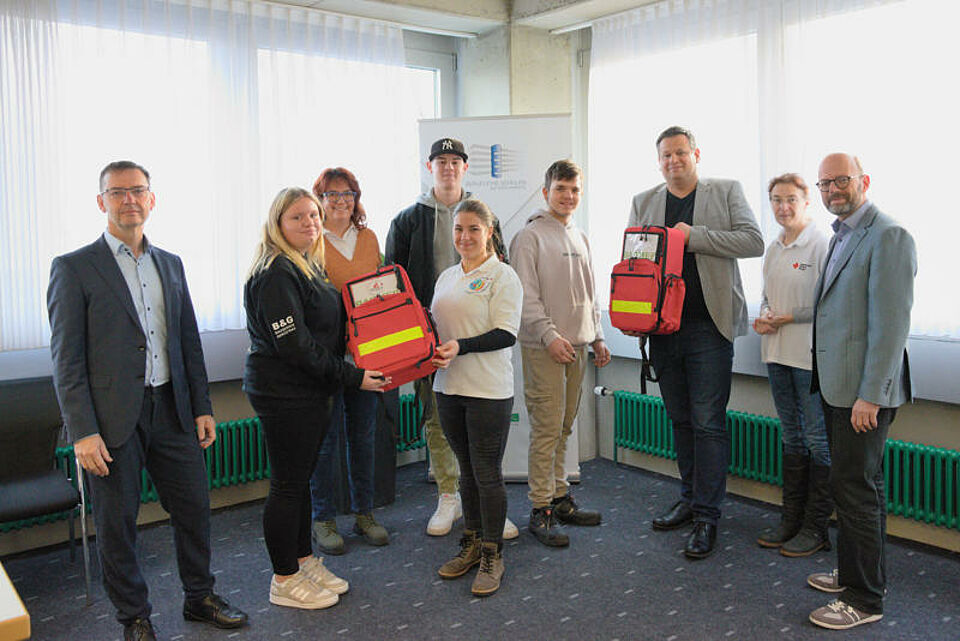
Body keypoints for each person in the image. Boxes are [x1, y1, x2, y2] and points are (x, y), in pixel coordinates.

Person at [47, 161, 248, 641]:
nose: (129, 200)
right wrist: (82, 431)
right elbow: (66, 358)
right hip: (111, 419)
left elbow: (187, 340)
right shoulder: (74, 267)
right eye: (117, 192)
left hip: (172, 408)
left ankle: (199, 597)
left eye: (137, 190)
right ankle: (133, 617)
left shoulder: (170, 264)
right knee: (117, 525)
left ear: (151, 199)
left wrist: (202, 405)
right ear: (101, 201)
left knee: (194, 509)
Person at [243, 187, 390, 610]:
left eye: (313, 216)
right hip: (284, 393)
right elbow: (296, 346)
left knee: (300, 483)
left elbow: (327, 330)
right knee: (287, 486)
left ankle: (303, 560)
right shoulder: (275, 272)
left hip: (309, 391)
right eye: (297, 217)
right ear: (277, 223)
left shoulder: (306, 263)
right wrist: (353, 376)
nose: (309, 223)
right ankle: (284, 579)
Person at [628, 126, 763, 559]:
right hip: (663, 329)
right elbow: (634, 262)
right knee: (681, 421)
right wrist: (633, 314)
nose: (673, 161)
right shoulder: (644, 201)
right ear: (659, 161)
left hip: (709, 327)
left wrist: (693, 236)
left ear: (696, 154)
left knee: (707, 423)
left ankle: (708, 515)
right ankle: (689, 499)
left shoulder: (726, 191)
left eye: (680, 153)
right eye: (666, 155)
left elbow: (753, 241)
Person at [385, 137, 516, 540]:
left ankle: (488, 506)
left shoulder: (484, 214)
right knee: (438, 421)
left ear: (464, 167)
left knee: (483, 438)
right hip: (429, 342)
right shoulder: (408, 219)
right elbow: (392, 285)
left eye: (454, 161)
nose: (447, 167)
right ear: (430, 167)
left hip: (480, 340)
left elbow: (502, 269)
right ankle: (448, 495)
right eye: (440, 161)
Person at [805, 154, 915, 631]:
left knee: (855, 490)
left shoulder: (888, 235)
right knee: (855, 486)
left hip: (863, 394)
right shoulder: (843, 234)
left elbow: (891, 327)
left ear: (863, 181)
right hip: (840, 387)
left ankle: (864, 599)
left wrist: (871, 395)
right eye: (824, 183)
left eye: (841, 180)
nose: (833, 189)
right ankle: (855, 574)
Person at [510, 159, 611, 548]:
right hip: (544, 347)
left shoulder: (580, 236)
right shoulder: (529, 237)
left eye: (574, 190)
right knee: (547, 429)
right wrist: (549, 336)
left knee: (565, 427)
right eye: (560, 189)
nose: (568, 196)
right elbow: (525, 296)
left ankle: (559, 496)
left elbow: (590, 293)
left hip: (579, 345)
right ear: (545, 192)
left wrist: (598, 336)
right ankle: (540, 508)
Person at [430, 199, 523, 596]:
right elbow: (435, 327)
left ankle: (492, 553)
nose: (464, 236)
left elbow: (506, 333)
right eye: (458, 229)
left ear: (489, 232)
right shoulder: (447, 277)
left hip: (487, 390)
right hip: (447, 387)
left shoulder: (503, 276)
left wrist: (460, 346)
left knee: (486, 473)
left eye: (473, 229)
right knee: (465, 471)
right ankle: (471, 541)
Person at [308, 168, 389, 556]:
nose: (340, 201)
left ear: (357, 198)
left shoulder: (369, 238)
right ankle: (322, 518)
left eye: (348, 194)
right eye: (331, 194)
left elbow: (383, 292)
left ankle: (364, 514)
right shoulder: (310, 241)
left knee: (363, 437)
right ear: (319, 200)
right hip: (326, 357)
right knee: (324, 442)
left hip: (365, 356)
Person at [754, 174, 832, 557]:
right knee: (791, 436)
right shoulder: (773, 248)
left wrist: (788, 316)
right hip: (776, 353)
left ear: (806, 202)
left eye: (790, 199)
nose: (782, 207)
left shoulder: (821, 244)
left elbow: (828, 303)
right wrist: (766, 314)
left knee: (818, 440)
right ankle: (791, 520)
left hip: (809, 358)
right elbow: (767, 295)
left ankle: (816, 528)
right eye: (776, 200)